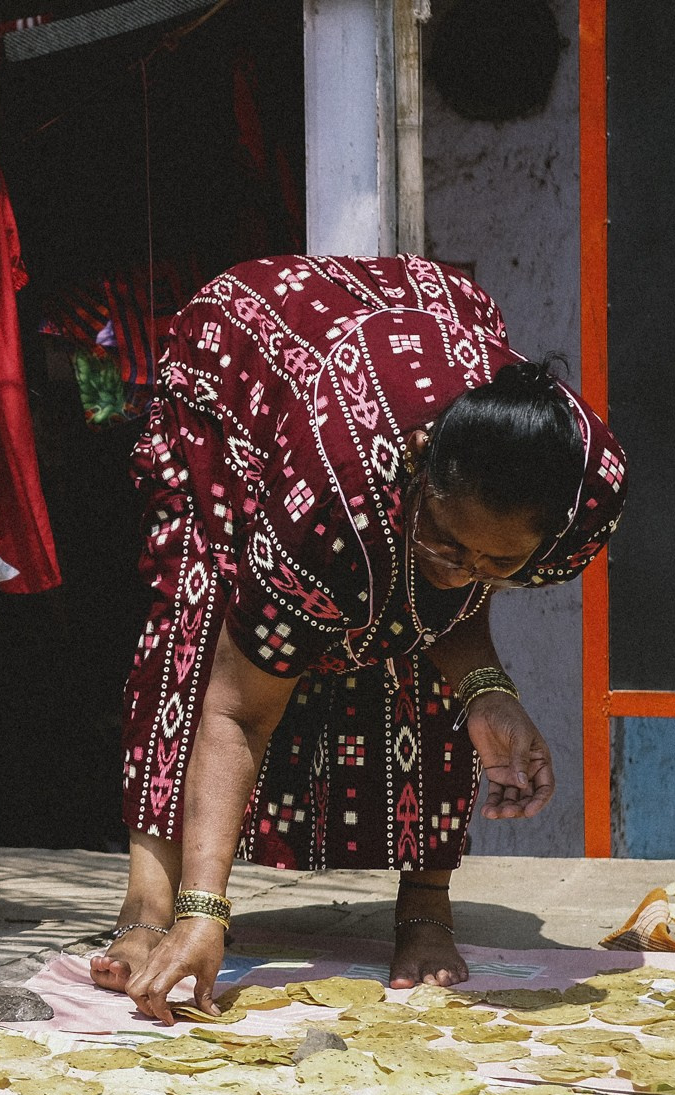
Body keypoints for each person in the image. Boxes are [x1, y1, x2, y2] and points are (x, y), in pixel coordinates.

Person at [94, 255, 627, 1022]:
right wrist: (206, 906)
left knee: (408, 623)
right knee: (201, 606)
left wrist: (489, 692)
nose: (466, 571)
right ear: (417, 478)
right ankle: (152, 903)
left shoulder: (586, 498)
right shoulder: (332, 495)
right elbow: (238, 711)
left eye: (498, 560)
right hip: (245, 361)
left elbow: (442, 603)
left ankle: (425, 910)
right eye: (446, 539)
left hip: (419, 322)